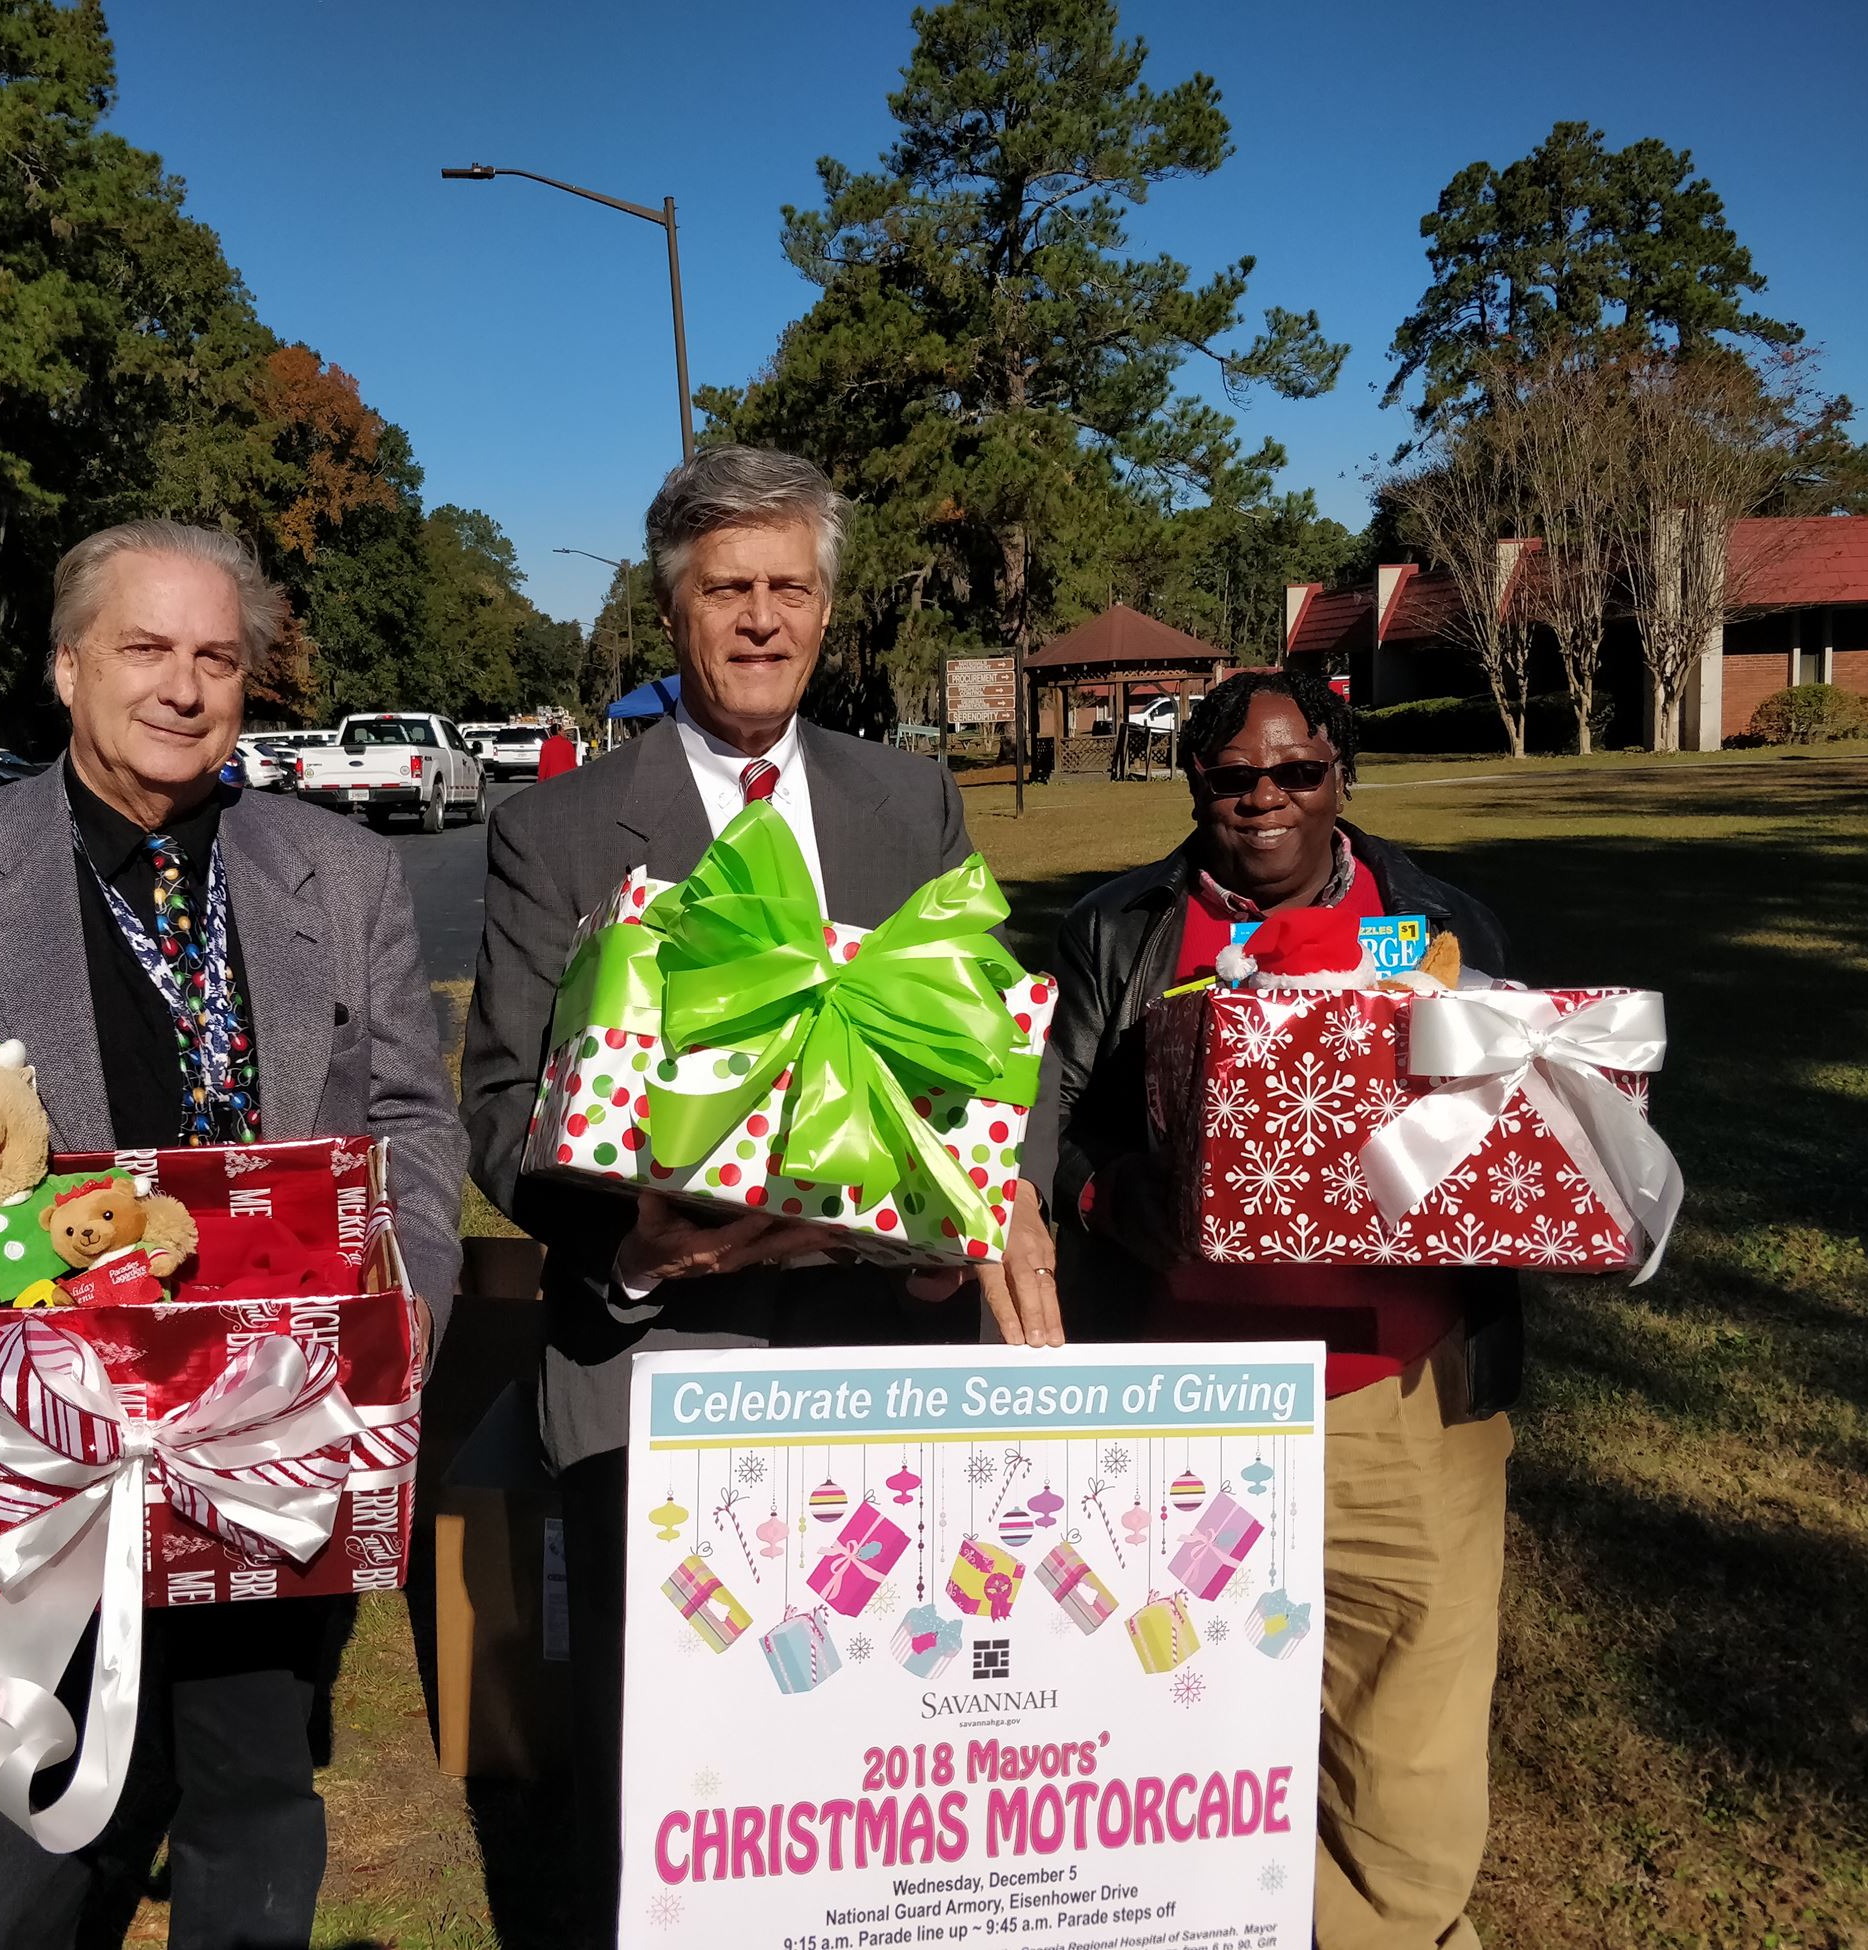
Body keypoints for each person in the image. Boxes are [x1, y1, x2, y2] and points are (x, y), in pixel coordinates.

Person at [0, 522, 465, 1950]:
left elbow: (411, 1129)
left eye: (217, 656)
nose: (185, 687)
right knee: (2, 1884)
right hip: (13, 1468)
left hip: (261, 1446)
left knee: (252, 1830)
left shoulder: (338, 875)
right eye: (146, 648)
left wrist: (408, 1322)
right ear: (69, 667)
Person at [460, 445, 1062, 1937]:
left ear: (828, 607)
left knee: (880, 1757)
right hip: (658, 1362)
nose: (761, 619)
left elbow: (984, 1046)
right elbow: (495, 1107)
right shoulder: (556, 830)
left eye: (789, 586)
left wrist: (979, 1216)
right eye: (729, 589)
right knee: (674, 1770)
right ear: (674, 615)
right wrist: (635, 1245)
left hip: (880, 1350)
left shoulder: (908, 802)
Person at [1045, 666, 1516, 1950]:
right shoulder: (1116, 930)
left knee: (1404, 1723)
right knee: (1175, 1702)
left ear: (1338, 775)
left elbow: (1522, 1128)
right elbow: (1044, 1142)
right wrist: (1106, 1199)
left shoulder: (1438, 920)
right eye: (1231, 777)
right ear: (1194, 785)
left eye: (1294, 772)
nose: (1263, 799)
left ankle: (1395, 1931)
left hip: (1396, 1395)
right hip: (1177, 1398)